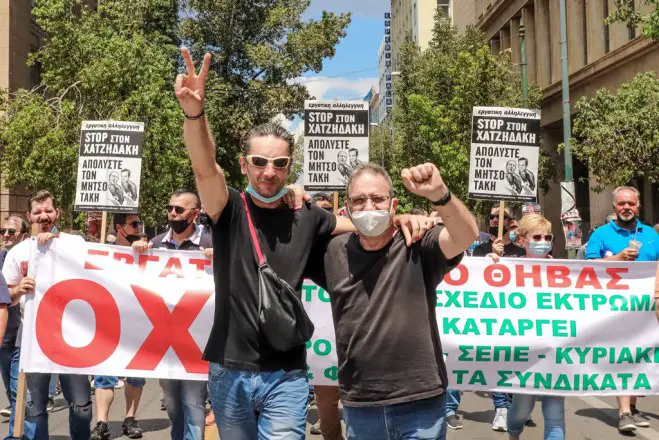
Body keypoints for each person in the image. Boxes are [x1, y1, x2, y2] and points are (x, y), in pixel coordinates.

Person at [174, 48, 430, 440]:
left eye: (278, 164)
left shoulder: (308, 215)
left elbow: (364, 221)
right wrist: (195, 113)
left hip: (288, 375)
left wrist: (401, 216)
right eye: (259, 162)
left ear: (290, 166)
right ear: (244, 165)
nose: (268, 171)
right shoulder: (229, 209)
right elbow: (204, 166)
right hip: (229, 370)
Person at [304, 162, 478, 440]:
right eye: (359, 200)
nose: (369, 206)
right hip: (362, 405)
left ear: (393, 203)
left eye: (377, 198)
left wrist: (440, 194)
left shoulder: (419, 244)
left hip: (420, 403)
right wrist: (291, 197)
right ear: (347, 209)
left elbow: (466, 235)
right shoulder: (333, 252)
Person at [3, 190, 93, 440]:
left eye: (48, 211)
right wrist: (19, 289)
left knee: (82, 406)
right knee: (34, 409)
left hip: (73, 339)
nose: (43, 216)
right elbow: (5, 295)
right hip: (33, 342)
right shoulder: (18, 253)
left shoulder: (76, 244)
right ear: (28, 216)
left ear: (57, 213)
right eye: (37, 212)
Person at [133, 189, 211, 440]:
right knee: (172, 401)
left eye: (179, 210)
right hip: (165, 340)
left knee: (193, 401)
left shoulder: (211, 242)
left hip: (196, 339)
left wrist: (219, 259)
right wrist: (134, 251)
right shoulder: (155, 245)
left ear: (195, 214)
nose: (172, 214)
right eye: (170, 208)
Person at [585, 186, 659, 432]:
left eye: (631, 203)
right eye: (621, 203)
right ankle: (624, 412)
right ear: (614, 206)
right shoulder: (601, 234)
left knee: (642, 356)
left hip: (647, 307)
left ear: (638, 206)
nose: (626, 207)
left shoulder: (650, 234)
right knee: (622, 355)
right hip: (613, 308)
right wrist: (616, 259)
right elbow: (588, 268)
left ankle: (634, 407)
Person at [485, 214, 565, 440]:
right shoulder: (509, 267)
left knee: (555, 411)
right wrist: (490, 265)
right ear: (521, 241)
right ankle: (514, 434)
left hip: (554, 352)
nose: (543, 241)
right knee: (521, 407)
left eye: (547, 236)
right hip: (524, 352)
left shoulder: (564, 270)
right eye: (537, 236)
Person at [90, 213, 146, 440]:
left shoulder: (147, 252)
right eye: (134, 224)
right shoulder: (104, 253)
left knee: (136, 374)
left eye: (139, 223)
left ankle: (130, 419)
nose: (139, 227)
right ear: (120, 228)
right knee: (104, 374)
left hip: (138, 322)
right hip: (109, 324)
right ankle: (101, 422)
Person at [0, 215, 24, 437]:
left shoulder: (30, 260)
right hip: (3, 338)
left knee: (18, 391)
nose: (6, 236)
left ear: (23, 235)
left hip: (21, 337)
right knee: (10, 390)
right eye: (3, 231)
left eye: (11, 232)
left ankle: (15, 436)